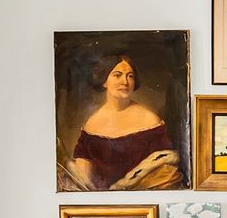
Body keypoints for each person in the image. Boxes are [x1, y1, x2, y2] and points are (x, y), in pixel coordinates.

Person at [62, 52, 184, 189]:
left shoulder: (150, 119)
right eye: (117, 75)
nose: (125, 82)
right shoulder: (92, 123)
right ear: (104, 81)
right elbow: (83, 173)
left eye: (130, 76)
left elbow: (164, 170)